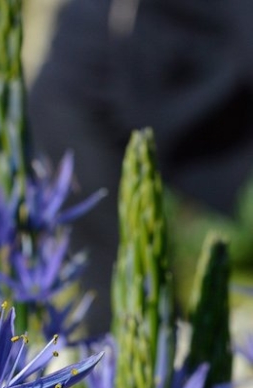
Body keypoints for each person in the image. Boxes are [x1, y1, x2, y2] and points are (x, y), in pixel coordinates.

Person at [28, 0, 253, 331]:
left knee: (147, 281)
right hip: (78, 102)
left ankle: (162, 367)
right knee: (119, 280)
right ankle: (126, 367)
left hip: (143, 78)